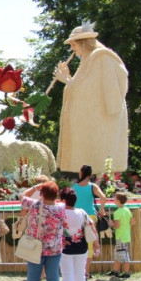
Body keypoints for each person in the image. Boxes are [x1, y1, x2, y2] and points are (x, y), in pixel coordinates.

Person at [53, 23, 129, 173]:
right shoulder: (89, 60)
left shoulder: (102, 58)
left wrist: (67, 81)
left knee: (101, 162)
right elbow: (83, 88)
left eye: (74, 44)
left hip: (103, 120)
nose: (72, 49)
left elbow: (93, 92)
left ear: (83, 42)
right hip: (95, 121)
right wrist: (68, 79)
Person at [19, 181, 67, 281]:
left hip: (36, 248)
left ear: (42, 193)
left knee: (33, 278)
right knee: (53, 277)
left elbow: (22, 196)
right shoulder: (61, 208)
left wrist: (35, 187)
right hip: (54, 248)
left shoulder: (34, 205)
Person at [58, 187, 100, 281]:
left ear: (63, 200)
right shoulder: (82, 212)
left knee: (67, 275)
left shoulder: (60, 213)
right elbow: (92, 228)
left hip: (65, 247)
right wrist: (96, 245)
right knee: (80, 274)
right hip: (81, 246)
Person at [73, 165, 107, 277]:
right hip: (90, 216)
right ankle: (86, 272)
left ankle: (77, 271)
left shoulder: (74, 186)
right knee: (90, 244)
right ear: (90, 175)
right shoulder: (93, 186)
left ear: (81, 173)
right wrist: (101, 210)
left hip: (77, 215)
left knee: (76, 241)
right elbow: (103, 198)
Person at [108, 192, 133, 278]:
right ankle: (115, 271)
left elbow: (117, 225)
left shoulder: (117, 212)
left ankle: (126, 272)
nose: (113, 199)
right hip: (126, 235)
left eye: (115, 198)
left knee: (123, 254)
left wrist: (111, 224)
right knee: (118, 253)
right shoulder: (127, 210)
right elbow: (133, 222)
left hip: (120, 236)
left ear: (118, 200)